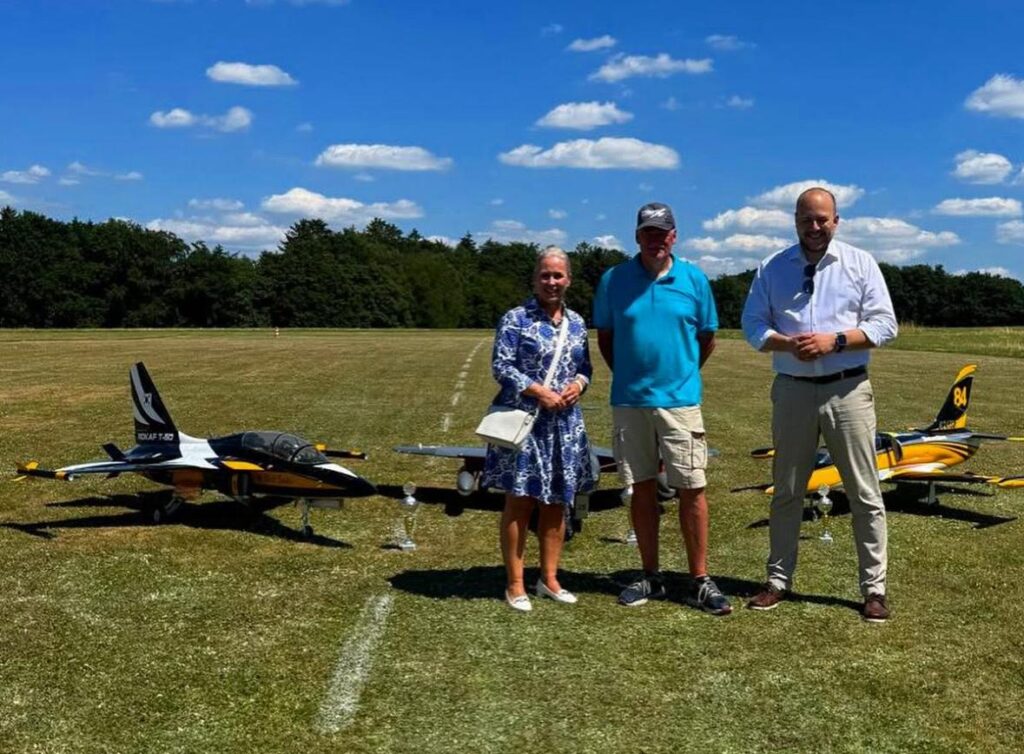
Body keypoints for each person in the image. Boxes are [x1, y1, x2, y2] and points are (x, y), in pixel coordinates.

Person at [741, 186, 898, 622]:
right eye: (806, 219)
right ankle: (777, 580)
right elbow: (752, 323)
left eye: (822, 219)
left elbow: (885, 325)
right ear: (795, 221)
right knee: (787, 490)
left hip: (847, 390)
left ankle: (874, 589)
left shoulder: (860, 263)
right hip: (792, 388)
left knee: (864, 492)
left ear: (836, 220)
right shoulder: (772, 267)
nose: (814, 227)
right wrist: (785, 343)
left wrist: (836, 341)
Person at [592, 202, 731, 615]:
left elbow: (706, 338)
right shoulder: (614, 280)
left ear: (674, 236)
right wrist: (631, 376)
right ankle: (650, 575)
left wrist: (681, 374)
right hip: (630, 402)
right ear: (637, 236)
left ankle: (700, 579)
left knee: (692, 488)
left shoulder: (694, 279)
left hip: (680, 402)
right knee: (641, 488)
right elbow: (606, 338)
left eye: (662, 232)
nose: (655, 239)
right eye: (648, 232)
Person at [482, 246, 596, 612]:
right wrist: (539, 392)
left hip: (564, 426)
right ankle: (515, 584)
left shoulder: (577, 323)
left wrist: (578, 385)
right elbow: (502, 366)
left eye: (558, 275)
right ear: (534, 280)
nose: (551, 282)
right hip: (525, 424)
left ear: (569, 280)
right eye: (545, 275)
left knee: (557, 502)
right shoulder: (516, 319)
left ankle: (549, 578)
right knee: (520, 501)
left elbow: (585, 367)